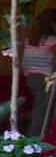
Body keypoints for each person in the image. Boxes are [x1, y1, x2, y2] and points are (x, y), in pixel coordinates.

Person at [26, 8, 56, 139]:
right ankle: (39, 140)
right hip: (46, 79)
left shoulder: (32, 39)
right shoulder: (52, 40)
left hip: (31, 78)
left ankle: (35, 138)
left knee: (39, 110)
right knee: (45, 112)